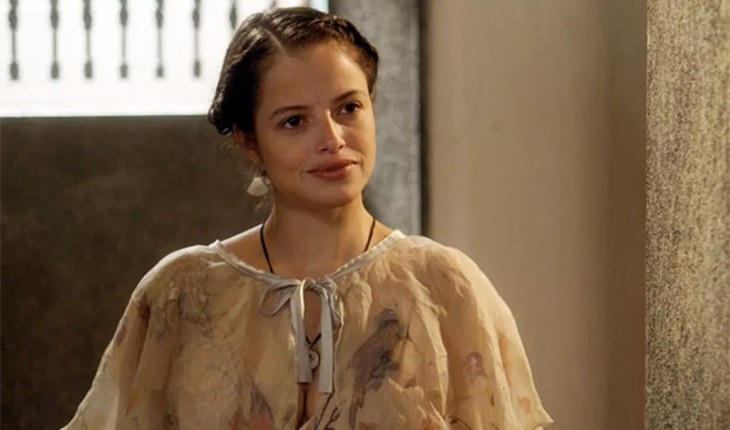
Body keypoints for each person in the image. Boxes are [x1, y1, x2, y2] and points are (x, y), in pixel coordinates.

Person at [61, 7, 552, 430]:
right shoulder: (180, 293)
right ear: (249, 140)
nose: (333, 139)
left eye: (348, 108)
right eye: (294, 121)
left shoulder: (445, 287)